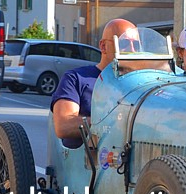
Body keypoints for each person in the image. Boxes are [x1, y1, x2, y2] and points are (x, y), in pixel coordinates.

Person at [50, 18, 136, 147]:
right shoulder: (76, 78)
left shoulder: (141, 83)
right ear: (103, 46)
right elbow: (64, 125)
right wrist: (114, 123)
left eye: (136, 45)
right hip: (87, 161)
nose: (132, 50)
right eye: (123, 43)